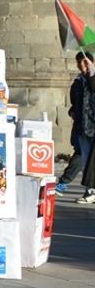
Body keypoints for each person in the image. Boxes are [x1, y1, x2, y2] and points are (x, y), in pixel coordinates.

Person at [58, 51, 94, 196]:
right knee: (85, 161)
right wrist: (73, 111)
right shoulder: (78, 83)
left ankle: (89, 191)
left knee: (89, 160)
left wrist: (91, 72)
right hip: (82, 127)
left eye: (85, 61)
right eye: (79, 62)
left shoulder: (92, 79)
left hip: (93, 125)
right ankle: (90, 191)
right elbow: (75, 103)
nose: (81, 65)